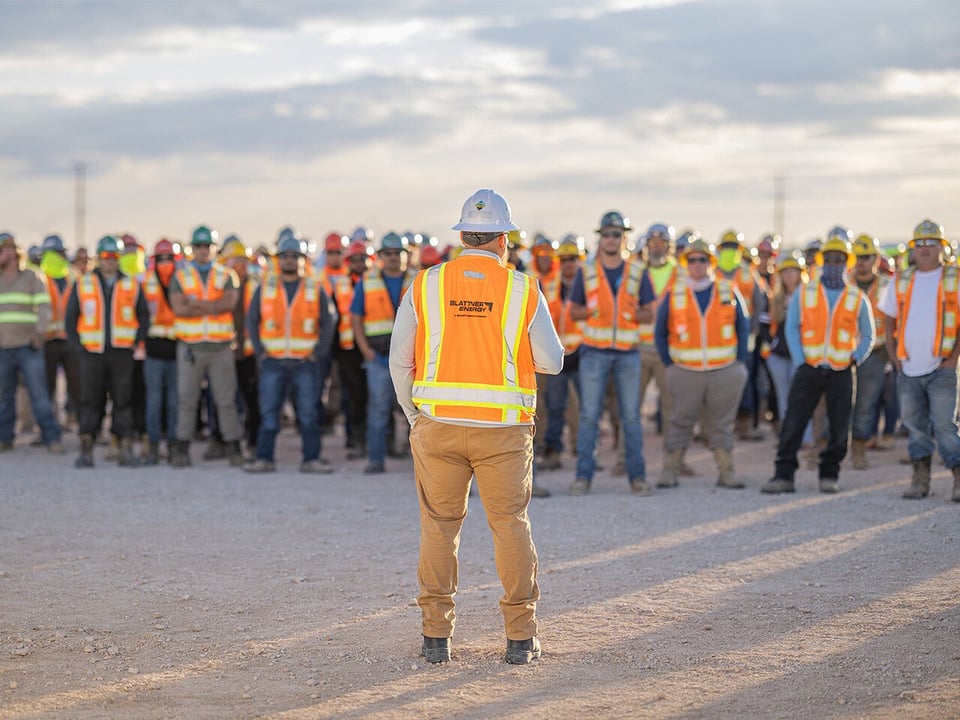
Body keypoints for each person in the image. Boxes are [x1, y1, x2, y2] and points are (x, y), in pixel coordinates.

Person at [389, 188, 563, 665]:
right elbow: (552, 362)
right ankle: (520, 638)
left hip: (438, 426)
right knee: (509, 526)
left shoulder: (425, 284)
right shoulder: (523, 289)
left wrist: (414, 416)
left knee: (440, 528)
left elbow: (399, 360)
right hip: (503, 432)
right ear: (503, 239)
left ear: (462, 235)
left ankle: (435, 638)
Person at [761, 231, 874, 494]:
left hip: (841, 370)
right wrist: (801, 360)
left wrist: (856, 357)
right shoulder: (806, 292)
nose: (833, 264)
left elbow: (869, 334)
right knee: (794, 422)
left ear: (847, 263)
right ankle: (784, 475)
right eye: (830, 259)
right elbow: (791, 328)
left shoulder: (857, 297)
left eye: (839, 259)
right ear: (822, 261)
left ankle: (829, 475)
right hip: (809, 368)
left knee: (838, 426)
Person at [568, 210, 655, 496]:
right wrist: (594, 311)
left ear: (623, 238)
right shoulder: (587, 270)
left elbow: (650, 312)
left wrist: (630, 312)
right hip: (594, 351)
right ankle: (583, 477)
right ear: (600, 238)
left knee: (631, 417)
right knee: (589, 416)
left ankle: (637, 477)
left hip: (628, 352)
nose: (611, 239)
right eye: (606, 234)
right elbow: (575, 309)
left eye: (616, 234)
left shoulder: (638, 271)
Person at [655, 238, 751, 488]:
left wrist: (739, 364)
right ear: (687, 264)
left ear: (712, 263)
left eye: (703, 260)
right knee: (680, 421)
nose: (697, 265)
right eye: (693, 260)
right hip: (685, 371)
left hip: (724, 370)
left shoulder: (728, 290)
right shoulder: (675, 293)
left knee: (721, 424)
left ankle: (726, 472)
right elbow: (660, 332)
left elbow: (744, 327)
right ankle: (670, 470)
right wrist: (670, 365)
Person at [879, 219, 960, 502]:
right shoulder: (901, 279)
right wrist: (893, 354)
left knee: (945, 426)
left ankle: (957, 478)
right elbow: (889, 320)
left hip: (942, 368)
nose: (925, 249)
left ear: (942, 247)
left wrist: (953, 359)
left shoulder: (954, 277)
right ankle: (920, 479)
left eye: (931, 243)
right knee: (915, 426)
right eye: (920, 244)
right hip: (908, 367)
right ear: (913, 249)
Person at [245, 232, 335, 473]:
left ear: (301, 260)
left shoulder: (314, 288)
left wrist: (319, 352)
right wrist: (260, 351)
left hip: (305, 361)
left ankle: (311, 459)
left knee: (308, 413)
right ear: (278, 259)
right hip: (272, 361)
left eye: (294, 256)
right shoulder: (265, 287)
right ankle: (264, 459)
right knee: (269, 413)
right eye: (285, 256)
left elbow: (329, 321)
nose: (289, 260)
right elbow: (252, 320)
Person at [66, 234, 149, 467]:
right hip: (92, 353)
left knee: (123, 400)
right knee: (90, 401)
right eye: (105, 256)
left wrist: (136, 341)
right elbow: (71, 319)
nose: (110, 261)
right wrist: (78, 347)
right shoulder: (84, 283)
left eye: (114, 257)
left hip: (122, 353)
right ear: (99, 258)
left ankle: (124, 449)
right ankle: (86, 449)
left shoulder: (131, 284)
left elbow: (143, 315)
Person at [168, 225, 244, 467]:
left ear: (214, 248)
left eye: (207, 246)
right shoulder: (181, 276)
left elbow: (229, 304)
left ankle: (233, 447)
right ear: (192, 249)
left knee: (225, 400)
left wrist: (196, 306)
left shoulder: (226, 275)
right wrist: (213, 305)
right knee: (187, 400)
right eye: (199, 246)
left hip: (220, 347)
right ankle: (182, 449)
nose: (203, 251)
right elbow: (179, 308)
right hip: (191, 347)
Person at [350, 231, 417, 474]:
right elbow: (356, 317)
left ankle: (422, 465)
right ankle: (376, 460)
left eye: (396, 253)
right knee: (378, 408)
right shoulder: (367, 282)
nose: (392, 258)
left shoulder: (417, 280)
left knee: (417, 411)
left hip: (411, 359)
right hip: (378, 358)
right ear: (380, 256)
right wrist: (365, 350)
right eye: (387, 253)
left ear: (404, 255)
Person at [0, 232, 64, 453]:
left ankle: (52, 438)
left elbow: (44, 307)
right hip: (3, 347)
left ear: (14, 252)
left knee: (39, 395)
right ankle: (4, 438)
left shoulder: (32, 277)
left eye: (4, 249)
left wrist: (40, 333)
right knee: (3, 398)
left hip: (28, 346)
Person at [848, 233, 890, 471]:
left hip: (876, 353)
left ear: (875, 258)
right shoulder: (845, 283)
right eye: (858, 257)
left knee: (865, 404)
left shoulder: (886, 286)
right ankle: (833, 449)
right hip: (844, 353)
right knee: (842, 404)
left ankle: (859, 450)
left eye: (866, 256)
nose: (862, 261)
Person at [141, 238, 181, 464]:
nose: (165, 263)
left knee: (175, 402)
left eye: (169, 258)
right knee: (154, 401)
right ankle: (153, 446)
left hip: (177, 349)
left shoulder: (184, 281)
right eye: (161, 258)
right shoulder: (146, 282)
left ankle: (174, 445)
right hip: (154, 350)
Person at [39, 233, 81, 428]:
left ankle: (75, 420)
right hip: (47, 340)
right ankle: (49, 425)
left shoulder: (74, 275)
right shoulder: (40, 277)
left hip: (71, 339)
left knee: (76, 384)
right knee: (47, 386)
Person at [764, 251, 808, 433]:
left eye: (793, 271)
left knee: (802, 397)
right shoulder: (776, 299)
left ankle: (805, 437)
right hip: (779, 356)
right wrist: (770, 350)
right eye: (785, 272)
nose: (789, 275)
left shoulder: (809, 297)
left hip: (802, 356)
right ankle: (787, 435)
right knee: (783, 398)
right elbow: (766, 327)